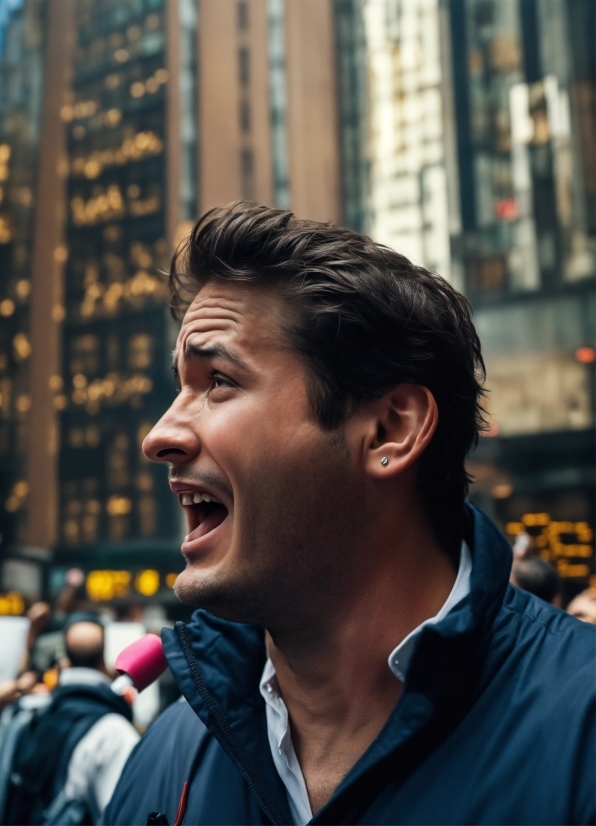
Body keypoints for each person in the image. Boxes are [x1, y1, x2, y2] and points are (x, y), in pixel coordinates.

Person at [105, 202, 594, 826]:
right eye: (180, 387)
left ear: (390, 429)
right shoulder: (166, 760)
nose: (159, 436)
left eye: (219, 381)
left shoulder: (580, 729)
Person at [2, 613, 139, 825]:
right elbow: (126, 817)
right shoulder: (114, 733)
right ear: (104, 660)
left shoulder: (27, 715)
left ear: (65, 661)